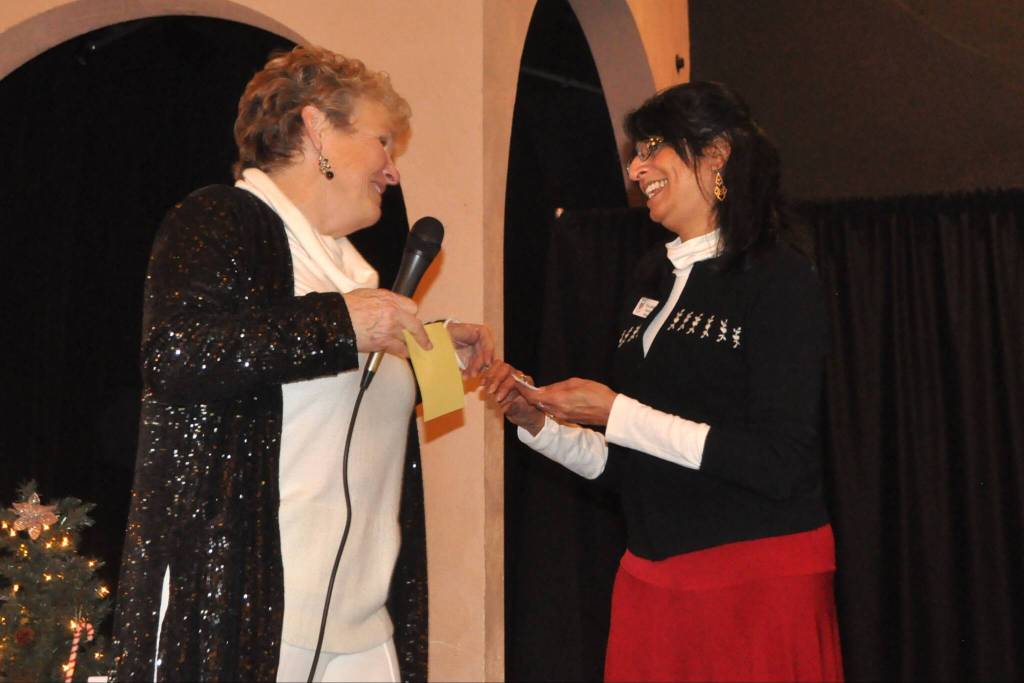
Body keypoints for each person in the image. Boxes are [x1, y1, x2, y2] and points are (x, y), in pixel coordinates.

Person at [108, 46, 493, 683]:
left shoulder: (355, 272)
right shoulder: (221, 219)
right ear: (317, 128)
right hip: (252, 621)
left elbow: (354, 413)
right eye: (383, 142)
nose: (392, 170)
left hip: (364, 627)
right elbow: (178, 355)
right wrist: (344, 323)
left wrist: (434, 359)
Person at [487, 81, 843, 682]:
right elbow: (635, 463)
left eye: (653, 147)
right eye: (635, 152)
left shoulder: (779, 278)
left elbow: (780, 459)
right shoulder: (651, 274)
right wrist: (542, 426)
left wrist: (618, 411)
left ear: (716, 155)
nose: (635, 167)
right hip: (653, 578)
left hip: (754, 584)